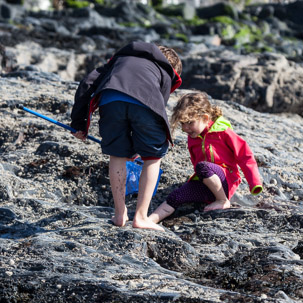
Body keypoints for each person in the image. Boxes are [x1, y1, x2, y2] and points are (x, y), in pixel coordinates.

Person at [71, 41, 182, 231]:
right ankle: (140, 217)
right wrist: (141, 149)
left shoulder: (121, 58)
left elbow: (87, 83)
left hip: (111, 99)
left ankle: (120, 214)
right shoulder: (164, 69)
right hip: (146, 103)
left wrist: (78, 123)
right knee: (153, 157)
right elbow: (157, 108)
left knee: (117, 155)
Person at [149, 92, 263, 225]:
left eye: (189, 123)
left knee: (203, 167)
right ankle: (148, 221)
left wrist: (254, 183)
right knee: (176, 196)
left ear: (205, 117)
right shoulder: (193, 137)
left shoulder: (223, 132)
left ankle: (222, 200)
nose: (185, 128)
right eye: (182, 124)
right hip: (205, 183)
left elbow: (245, 155)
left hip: (225, 180)